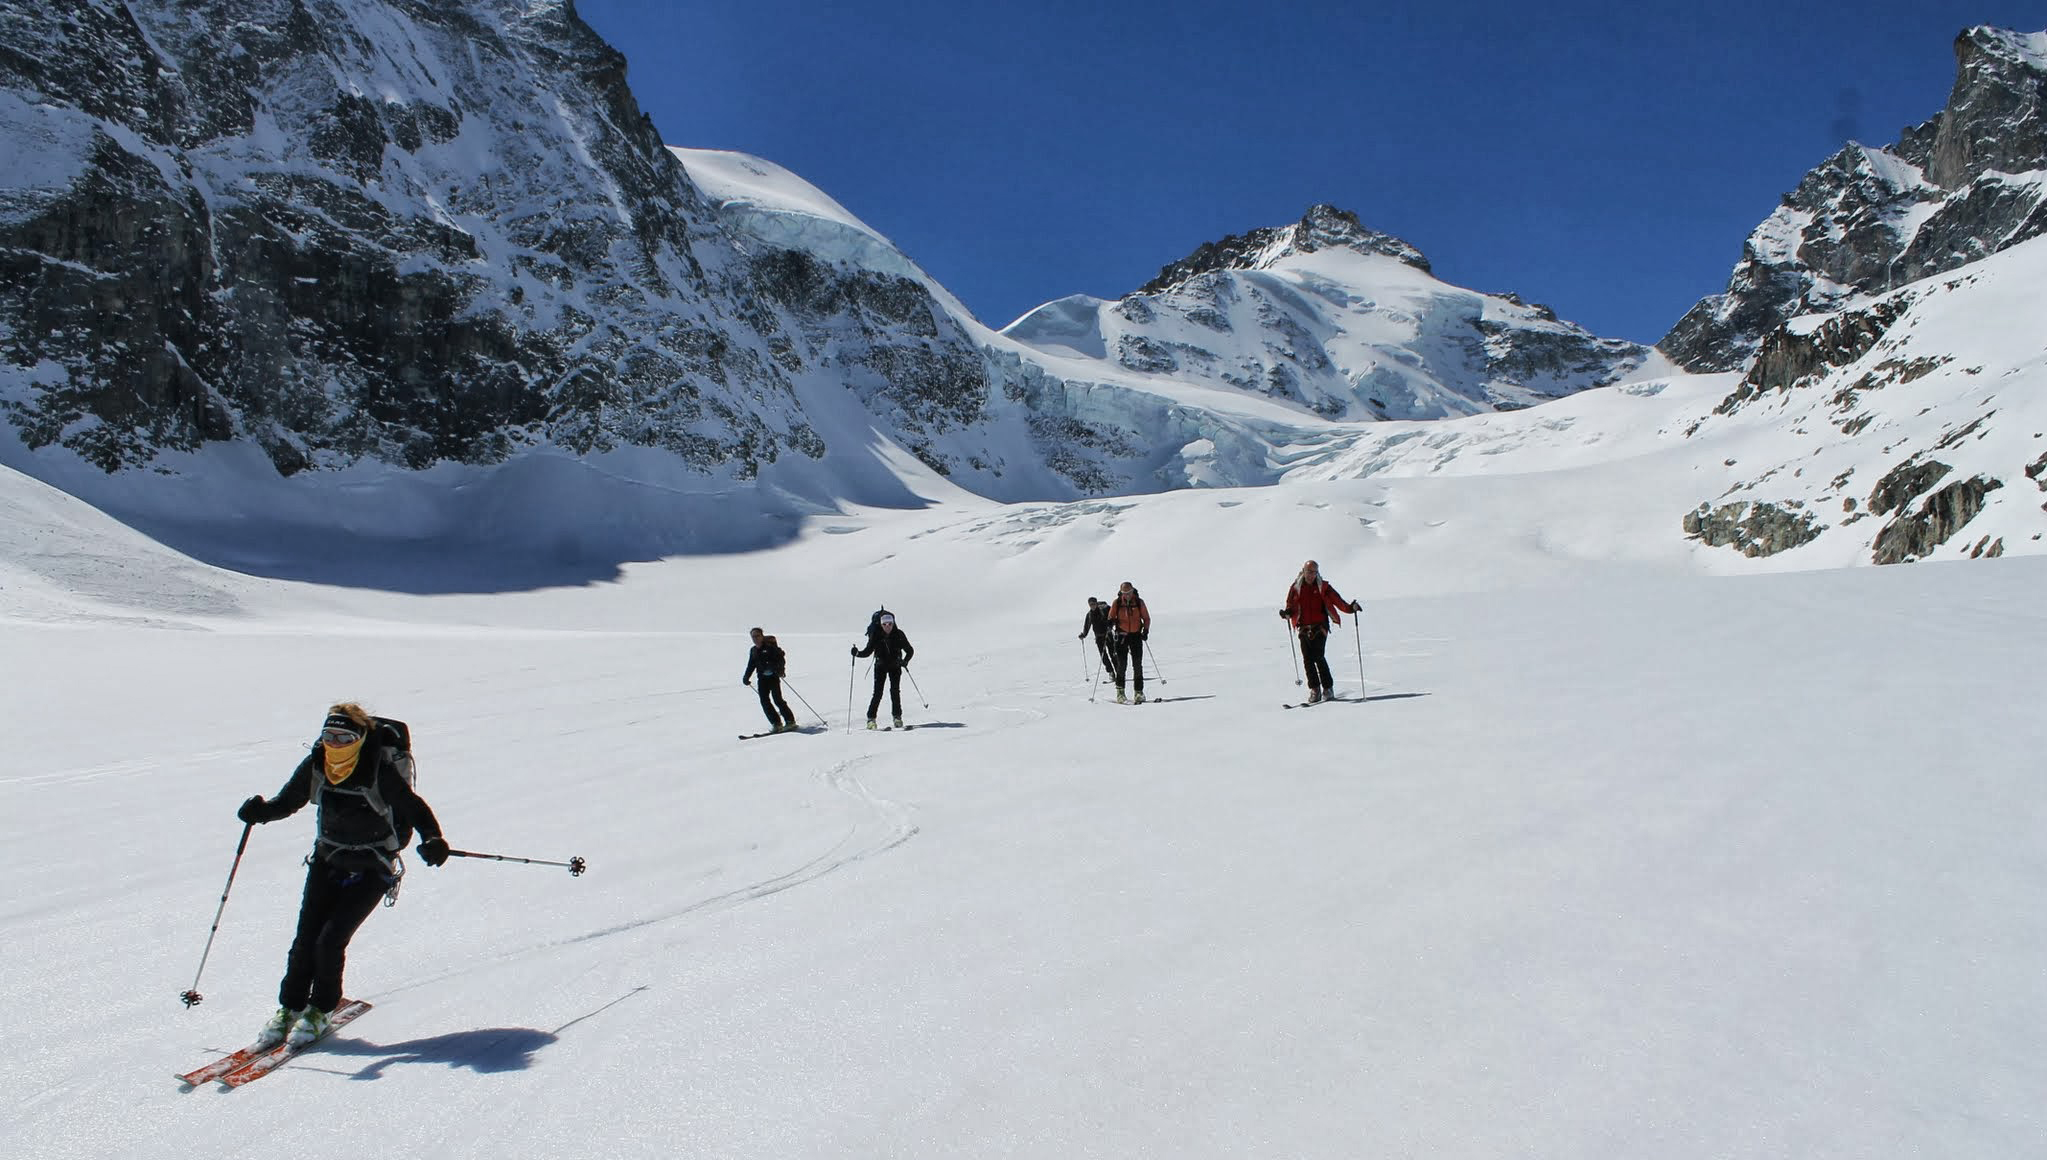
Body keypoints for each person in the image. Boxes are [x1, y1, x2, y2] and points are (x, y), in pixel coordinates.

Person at [235, 703, 449, 1048]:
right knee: (305, 939)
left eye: (343, 737)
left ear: (360, 739)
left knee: (330, 939)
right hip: (327, 859)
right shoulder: (319, 762)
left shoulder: (377, 769)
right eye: (328, 736)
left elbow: (413, 806)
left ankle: (321, 1008)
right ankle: (289, 1007)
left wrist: (433, 838)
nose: (334, 744)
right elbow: (289, 800)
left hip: (373, 866)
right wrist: (261, 812)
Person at [1281, 560, 1361, 703]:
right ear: (1303, 571)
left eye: (1314, 572)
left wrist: (1350, 608)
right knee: (1307, 659)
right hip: (1303, 627)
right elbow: (1291, 605)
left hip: (1320, 627)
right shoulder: (1296, 588)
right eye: (1309, 572)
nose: (1311, 575)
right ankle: (1315, 689)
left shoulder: (1323, 587)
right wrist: (1287, 613)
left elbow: (1338, 601)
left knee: (1318, 656)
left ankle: (1328, 688)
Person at [851, 609, 914, 728]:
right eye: (884, 624)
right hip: (880, 666)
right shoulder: (876, 635)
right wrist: (857, 653)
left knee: (895, 691)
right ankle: (871, 719)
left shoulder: (899, 634)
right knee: (878, 693)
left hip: (895, 666)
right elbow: (867, 651)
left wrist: (905, 661)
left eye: (890, 624)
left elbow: (910, 650)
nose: (887, 626)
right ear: (880, 624)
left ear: (893, 623)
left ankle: (897, 717)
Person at [743, 627, 798, 733]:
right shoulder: (753, 650)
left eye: (757, 636)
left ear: (762, 636)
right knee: (764, 701)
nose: (755, 638)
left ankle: (790, 721)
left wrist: (780, 670)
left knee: (777, 699)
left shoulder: (770, 648)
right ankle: (776, 723)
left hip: (773, 677)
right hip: (762, 679)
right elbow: (751, 664)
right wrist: (746, 677)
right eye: (753, 637)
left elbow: (781, 659)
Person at [1107, 581, 1151, 704]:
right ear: (1121, 593)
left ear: (1132, 591)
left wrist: (1145, 631)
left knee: (1137, 665)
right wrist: (1110, 623)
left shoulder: (1138, 602)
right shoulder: (1117, 603)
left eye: (1129, 592)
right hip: (1121, 636)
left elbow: (1146, 618)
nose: (1126, 595)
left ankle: (1139, 692)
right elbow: (1111, 617)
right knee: (1122, 665)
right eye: (1124, 593)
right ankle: (1120, 693)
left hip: (1136, 636)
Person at [1077, 596, 1113, 673]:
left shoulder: (1104, 610)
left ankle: (1119, 674)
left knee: (1113, 655)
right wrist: (1083, 635)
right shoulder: (1089, 615)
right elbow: (1087, 626)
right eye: (1090, 604)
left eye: (1093, 604)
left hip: (1108, 635)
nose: (1092, 606)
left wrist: (1111, 626)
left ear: (1096, 603)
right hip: (1099, 637)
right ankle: (1111, 673)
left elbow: (1112, 618)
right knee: (1104, 657)